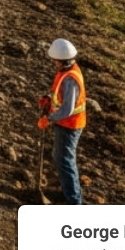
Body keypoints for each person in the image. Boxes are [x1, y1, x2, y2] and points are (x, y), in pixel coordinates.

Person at [39, 38, 87, 205]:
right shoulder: (67, 72)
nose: (53, 62)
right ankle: (70, 194)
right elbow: (60, 97)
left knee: (65, 160)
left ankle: (74, 201)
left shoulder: (69, 79)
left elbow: (67, 109)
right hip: (65, 124)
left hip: (70, 126)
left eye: (55, 60)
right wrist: (48, 99)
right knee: (60, 158)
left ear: (60, 60)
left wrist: (49, 118)